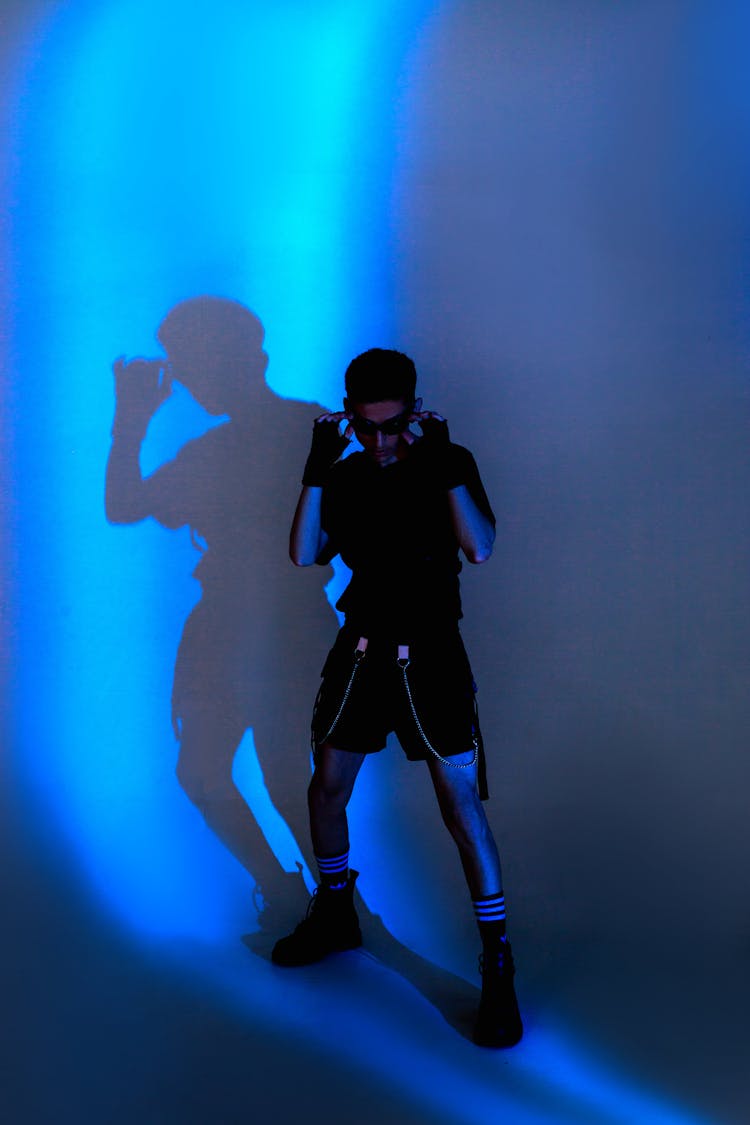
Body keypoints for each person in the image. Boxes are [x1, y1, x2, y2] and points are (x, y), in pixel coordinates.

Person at [272, 348, 522, 1048]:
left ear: (414, 410)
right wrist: (316, 467)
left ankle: (498, 960)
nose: (381, 441)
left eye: (393, 425)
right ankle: (335, 910)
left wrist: (440, 463)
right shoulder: (346, 472)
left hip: (433, 649)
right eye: (367, 426)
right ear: (349, 415)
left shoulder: (449, 459)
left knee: (459, 805)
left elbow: (480, 547)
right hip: (362, 645)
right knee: (326, 786)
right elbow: (302, 553)